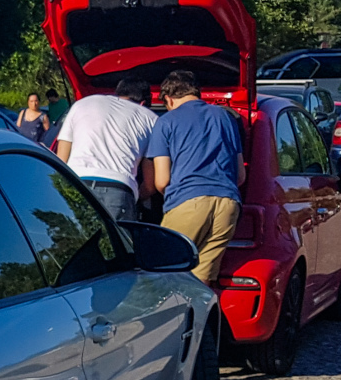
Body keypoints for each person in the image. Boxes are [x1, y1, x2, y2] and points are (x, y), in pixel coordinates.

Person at [146, 70, 245, 286]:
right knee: (201, 281)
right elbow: (240, 175)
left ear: (168, 99)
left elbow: (162, 181)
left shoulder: (166, 121)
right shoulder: (225, 118)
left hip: (188, 202)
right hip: (228, 204)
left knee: (164, 274)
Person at [55, 77, 157, 221]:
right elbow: (150, 184)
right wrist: (137, 198)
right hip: (118, 189)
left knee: (75, 242)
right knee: (116, 242)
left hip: (77, 184)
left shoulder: (82, 104)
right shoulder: (150, 118)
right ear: (143, 103)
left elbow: (61, 160)